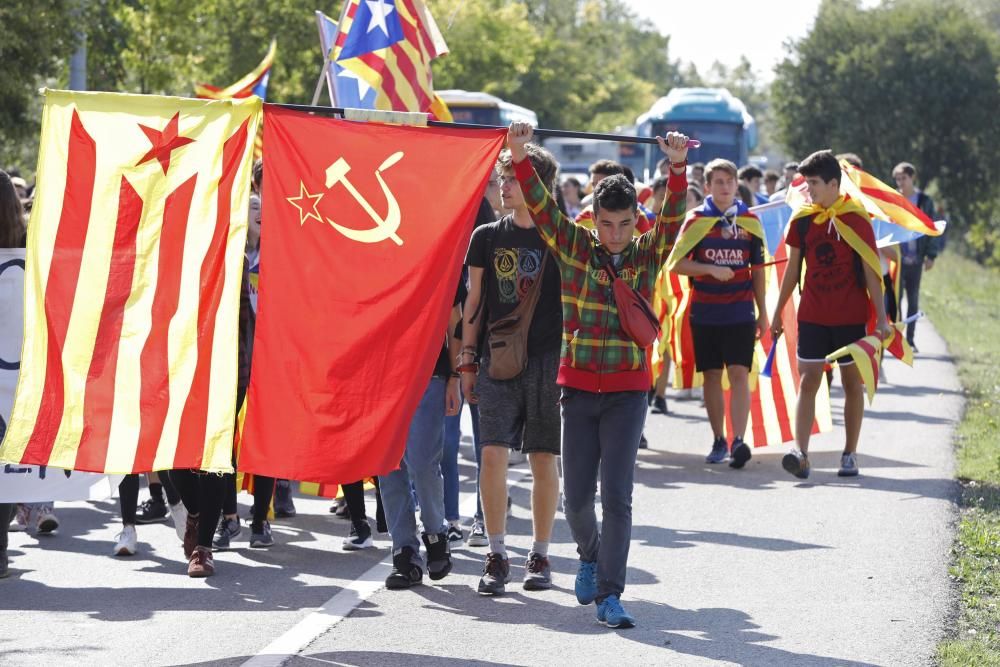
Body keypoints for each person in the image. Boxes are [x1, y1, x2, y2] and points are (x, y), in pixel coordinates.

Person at [507, 120, 689, 628]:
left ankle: (610, 593)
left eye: (624, 224)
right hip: (578, 388)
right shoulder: (575, 247)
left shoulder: (649, 254)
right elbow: (542, 209)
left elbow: (674, 220)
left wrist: (677, 167)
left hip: (629, 391)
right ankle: (589, 556)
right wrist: (521, 155)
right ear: (594, 220)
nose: (615, 234)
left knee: (619, 497)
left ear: (636, 220)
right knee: (575, 498)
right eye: (606, 224)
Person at [461, 145, 563, 596]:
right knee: (491, 454)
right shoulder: (485, 235)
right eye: (502, 178)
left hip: (547, 361)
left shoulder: (561, 236)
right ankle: (497, 554)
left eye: (514, 178)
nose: (504, 187)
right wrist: (466, 360)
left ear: (537, 186)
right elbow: (474, 304)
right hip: (496, 359)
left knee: (543, 458)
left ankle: (540, 553)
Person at [770, 149, 892, 480]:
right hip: (812, 315)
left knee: (852, 383)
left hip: (850, 316)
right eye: (805, 183)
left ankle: (850, 453)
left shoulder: (857, 217)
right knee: (809, 379)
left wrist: (881, 319)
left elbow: (871, 271)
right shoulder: (803, 219)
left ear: (833, 183)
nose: (807, 190)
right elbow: (791, 271)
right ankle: (801, 453)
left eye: (813, 183)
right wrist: (778, 311)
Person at [666, 159, 766, 468]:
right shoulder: (695, 220)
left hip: (740, 312)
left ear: (737, 185)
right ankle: (718, 438)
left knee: (739, 373)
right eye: (718, 182)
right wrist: (710, 269)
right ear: (707, 186)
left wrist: (763, 314)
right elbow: (676, 263)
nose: (725, 187)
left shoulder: (750, 221)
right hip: (706, 312)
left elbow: (759, 271)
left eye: (730, 181)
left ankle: (739, 440)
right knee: (711, 375)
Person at [381, 283, 463, 590]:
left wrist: (455, 376)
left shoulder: (436, 250)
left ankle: (435, 535)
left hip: (429, 372)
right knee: (387, 465)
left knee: (422, 462)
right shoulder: (367, 254)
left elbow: (453, 320)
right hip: (380, 373)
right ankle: (404, 551)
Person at [891, 162, 939, 352]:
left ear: (912, 178)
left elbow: (931, 227)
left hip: (916, 258)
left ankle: (910, 339)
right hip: (896, 257)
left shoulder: (924, 201)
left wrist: (931, 255)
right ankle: (898, 339)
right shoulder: (892, 198)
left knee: (913, 298)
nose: (900, 182)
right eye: (897, 179)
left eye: (904, 178)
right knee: (895, 298)